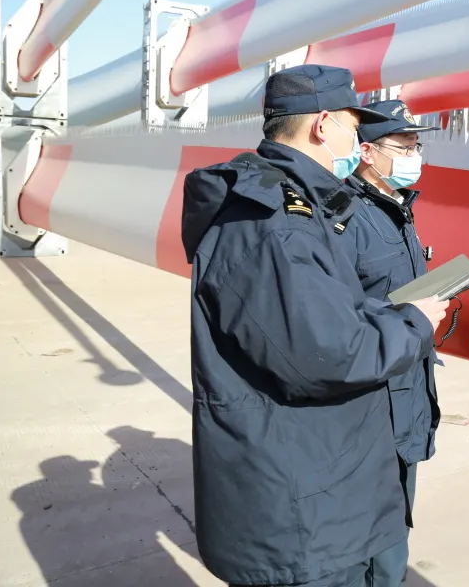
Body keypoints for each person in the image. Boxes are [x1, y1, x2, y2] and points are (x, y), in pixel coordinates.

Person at [179, 64, 449, 587]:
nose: (356, 140)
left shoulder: (297, 207)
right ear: (324, 125)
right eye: (354, 125)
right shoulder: (275, 222)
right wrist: (414, 323)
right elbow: (328, 353)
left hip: (322, 481)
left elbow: (321, 316)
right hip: (303, 507)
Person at [343, 98, 442, 585]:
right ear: (367, 152)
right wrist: (411, 316)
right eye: (403, 147)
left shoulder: (395, 208)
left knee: (395, 528)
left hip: (406, 392)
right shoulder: (345, 216)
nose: (413, 155)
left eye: (416, 146)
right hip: (374, 403)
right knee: (370, 543)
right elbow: (341, 315)